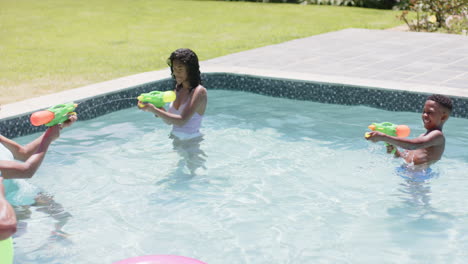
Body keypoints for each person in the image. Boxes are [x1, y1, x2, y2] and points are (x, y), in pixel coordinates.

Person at [0, 115, 77, 240]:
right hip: (8, 206)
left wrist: (56, 127)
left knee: (63, 216)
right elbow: (26, 170)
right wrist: (47, 139)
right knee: (18, 239)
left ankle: (57, 237)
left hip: (25, 191)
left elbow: (23, 153)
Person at [138, 48, 207, 174]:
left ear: (190, 69)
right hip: (176, 140)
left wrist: (154, 110)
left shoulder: (199, 92)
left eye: (180, 69)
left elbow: (182, 121)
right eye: (174, 69)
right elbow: (170, 121)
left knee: (195, 177)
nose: (176, 73)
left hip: (191, 143)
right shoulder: (178, 89)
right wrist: (153, 108)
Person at [366, 94, 452, 171]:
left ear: (443, 117)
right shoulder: (422, 136)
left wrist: (384, 137)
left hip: (419, 175)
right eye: (424, 111)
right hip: (408, 171)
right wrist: (394, 149)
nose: (425, 115)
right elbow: (405, 158)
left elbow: (413, 145)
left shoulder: (437, 136)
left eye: (430, 112)